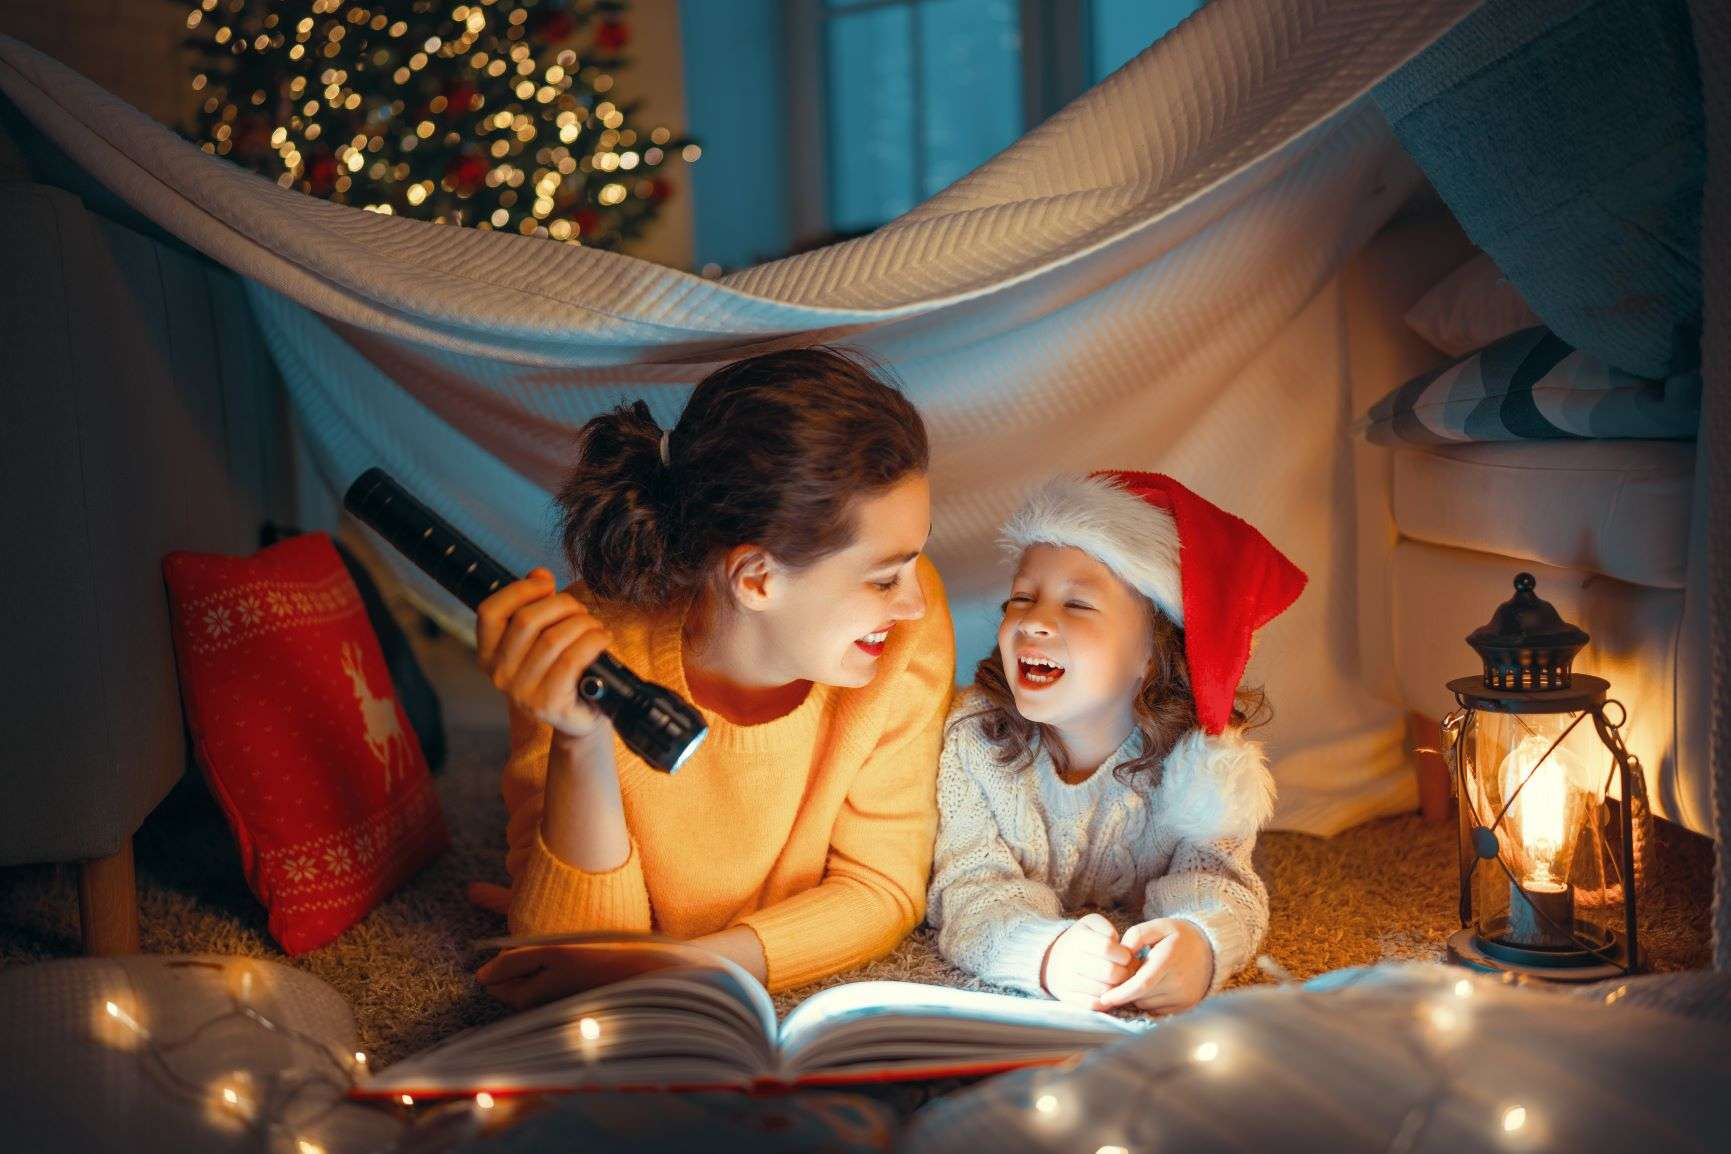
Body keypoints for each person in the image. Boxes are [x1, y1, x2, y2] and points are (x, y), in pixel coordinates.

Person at [470, 347, 954, 1007]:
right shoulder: (583, 651)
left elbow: (881, 887)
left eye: (911, 563)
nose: (913, 603)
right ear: (756, 578)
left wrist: (681, 964)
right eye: (882, 578)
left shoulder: (902, 635)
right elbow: (573, 957)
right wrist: (578, 741)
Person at [926, 471, 1305, 1014]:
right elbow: (970, 886)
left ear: (1149, 653)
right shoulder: (974, 737)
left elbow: (1218, 878)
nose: (1033, 620)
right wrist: (1047, 951)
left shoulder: (1197, 760)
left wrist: (1200, 941)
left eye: (1076, 605)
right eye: (1021, 598)